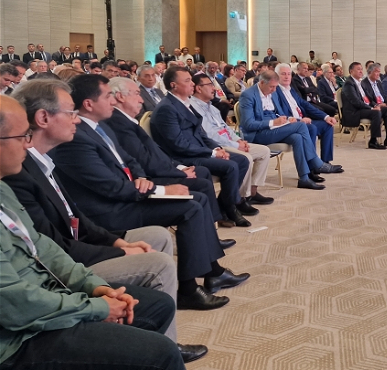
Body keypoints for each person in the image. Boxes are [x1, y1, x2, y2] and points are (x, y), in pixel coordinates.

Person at [0, 98, 207, 370]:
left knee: (158, 306)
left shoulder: (3, 187)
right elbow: (15, 304)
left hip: (41, 305)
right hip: (14, 344)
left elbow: (43, 248)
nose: (28, 144)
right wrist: (95, 308)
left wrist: (95, 287)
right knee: (159, 353)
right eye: (22, 136)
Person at [49, 75, 247, 309]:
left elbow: (128, 159)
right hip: (109, 211)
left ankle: (212, 272)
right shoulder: (77, 139)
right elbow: (110, 187)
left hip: (129, 193)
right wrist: (160, 189)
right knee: (191, 207)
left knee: (197, 199)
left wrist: (142, 178)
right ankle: (189, 289)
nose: (113, 101)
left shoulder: (98, 127)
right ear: (89, 104)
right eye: (108, 96)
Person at [105, 77, 241, 230]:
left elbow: (157, 151)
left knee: (213, 169)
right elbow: (146, 159)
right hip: (161, 168)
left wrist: (181, 167)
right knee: (207, 181)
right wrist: (180, 171)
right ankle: (212, 224)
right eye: (137, 94)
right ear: (120, 97)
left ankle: (219, 217)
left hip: (175, 159)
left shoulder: (127, 120)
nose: (141, 100)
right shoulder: (124, 121)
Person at [150, 67, 259, 224]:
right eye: (187, 81)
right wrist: (212, 153)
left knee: (241, 160)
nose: (192, 84)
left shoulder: (185, 103)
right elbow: (178, 144)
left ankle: (224, 203)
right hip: (183, 156)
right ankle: (230, 207)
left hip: (197, 150)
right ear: (174, 85)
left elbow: (201, 134)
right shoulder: (166, 108)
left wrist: (217, 148)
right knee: (230, 166)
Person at [238, 71, 341, 189]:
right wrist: (273, 122)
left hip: (274, 128)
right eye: (271, 87)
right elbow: (248, 124)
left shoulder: (272, 92)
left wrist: (288, 119)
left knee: (297, 137)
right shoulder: (248, 95)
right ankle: (316, 163)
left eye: (275, 87)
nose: (274, 90)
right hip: (257, 134)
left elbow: (278, 113)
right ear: (261, 83)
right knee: (301, 126)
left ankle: (304, 178)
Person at [190, 73, 276, 206]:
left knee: (264, 151)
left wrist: (238, 140)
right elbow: (210, 136)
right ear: (198, 88)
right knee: (246, 157)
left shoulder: (211, 107)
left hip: (229, 141)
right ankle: (241, 197)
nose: (214, 88)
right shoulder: (193, 108)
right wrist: (235, 145)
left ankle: (252, 192)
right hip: (217, 146)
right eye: (210, 85)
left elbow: (226, 127)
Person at [274, 64, 340, 166]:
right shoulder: (275, 91)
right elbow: (278, 114)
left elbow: (304, 104)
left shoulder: (290, 89)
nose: (287, 77)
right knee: (311, 128)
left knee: (327, 125)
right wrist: (298, 120)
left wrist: (326, 117)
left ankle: (325, 162)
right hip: (291, 124)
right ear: (276, 76)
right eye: (283, 74)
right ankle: (312, 165)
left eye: (289, 74)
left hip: (302, 120)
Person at [340, 62, 387, 150]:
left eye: (361, 69)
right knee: (376, 113)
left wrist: (376, 105)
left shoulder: (360, 82)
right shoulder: (349, 83)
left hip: (363, 108)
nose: (361, 71)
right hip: (354, 111)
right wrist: (371, 108)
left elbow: (368, 98)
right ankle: (373, 141)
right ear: (351, 71)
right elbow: (355, 102)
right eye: (358, 69)